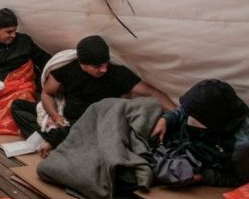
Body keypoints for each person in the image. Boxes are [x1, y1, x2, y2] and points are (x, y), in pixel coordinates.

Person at [12, 35, 176, 157]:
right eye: (97, 66)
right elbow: (47, 94)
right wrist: (55, 117)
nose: (103, 69)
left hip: (93, 123)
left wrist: (177, 113)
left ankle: (53, 140)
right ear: (82, 64)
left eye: (105, 63)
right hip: (66, 118)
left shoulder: (116, 74)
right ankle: (53, 139)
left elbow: (152, 92)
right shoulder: (65, 69)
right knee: (17, 106)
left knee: (76, 133)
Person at [151, 79, 249, 187]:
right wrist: (166, 119)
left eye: (195, 118)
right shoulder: (207, 105)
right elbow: (184, 111)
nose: (190, 119)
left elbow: (239, 181)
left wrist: (204, 177)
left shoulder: (241, 149)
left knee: (174, 173)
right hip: (174, 140)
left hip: (198, 162)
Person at [0, 8, 50, 83]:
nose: (13, 35)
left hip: (23, 86)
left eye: (15, 31)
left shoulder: (23, 41)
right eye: (9, 32)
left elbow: (44, 60)